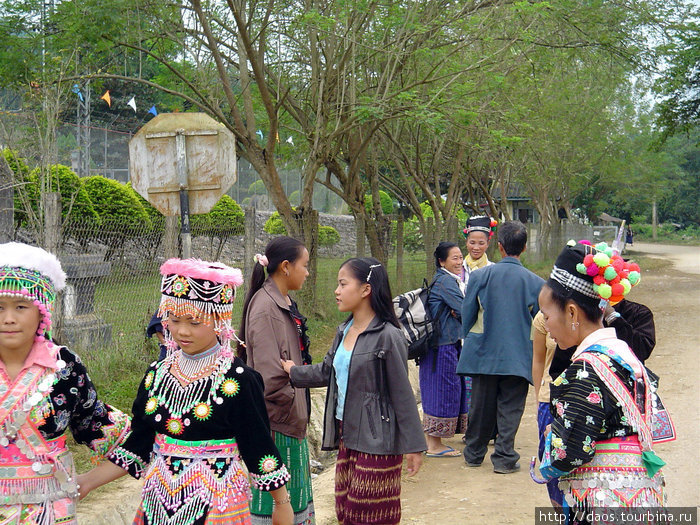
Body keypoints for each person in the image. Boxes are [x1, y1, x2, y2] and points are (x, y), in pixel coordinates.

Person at [79, 257, 294, 525]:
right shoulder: (156, 375)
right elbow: (138, 445)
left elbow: (258, 447)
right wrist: (86, 482)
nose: (182, 331)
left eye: (194, 322)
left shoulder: (238, 379)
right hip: (159, 501)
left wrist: (281, 503)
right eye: (174, 319)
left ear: (219, 319)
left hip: (217, 502)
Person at [282, 258, 426, 525]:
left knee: (369, 514)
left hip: (379, 441)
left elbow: (402, 394)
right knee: (345, 511)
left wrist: (415, 446)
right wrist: (293, 372)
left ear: (365, 290)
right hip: (347, 437)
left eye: (343, 284)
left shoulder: (388, 335)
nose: (336, 291)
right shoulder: (343, 331)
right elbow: (327, 372)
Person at [537, 241, 671, 522]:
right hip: (639, 497)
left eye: (547, 316)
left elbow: (568, 453)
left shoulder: (586, 369)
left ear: (572, 313)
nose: (546, 327)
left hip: (604, 501)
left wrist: (553, 434)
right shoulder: (624, 356)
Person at [0, 242, 131, 525]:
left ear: (42, 311)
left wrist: (88, 481)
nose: (8, 318)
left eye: (21, 306)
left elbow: (114, 434)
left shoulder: (64, 369)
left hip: (48, 511)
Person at [238, 236, 315, 525]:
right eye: (304, 265)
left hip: (289, 418)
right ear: (285, 267)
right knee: (274, 507)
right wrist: (291, 400)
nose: (307, 272)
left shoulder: (282, 300)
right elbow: (268, 378)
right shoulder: (265, 307)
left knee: (294, 503)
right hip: (276, 423)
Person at [457, 221, 544, 473]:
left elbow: (468, 314)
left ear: (500, 247)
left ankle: (473, 454)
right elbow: (540, 323)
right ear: (524, 248)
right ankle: (505, 458)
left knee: (481, 406)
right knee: (511, 408)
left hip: (484, 353)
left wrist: (471, 343)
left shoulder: (480, 276)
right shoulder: (536, 282)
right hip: (518, 356)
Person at [420, 242, 469, 457]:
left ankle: (435, 442)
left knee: (444, 389)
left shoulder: (446, 280)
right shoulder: (446, 282)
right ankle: (434, 445)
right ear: (442, 261)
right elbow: (465, 309)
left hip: (443, 344)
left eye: (460, 258)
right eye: (454, 258)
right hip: (442, 346)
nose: (459, 262)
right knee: (442, 391)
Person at [531, 311, 564, 509]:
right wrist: (538, 396)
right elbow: (538, 359)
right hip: (548, 399)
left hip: (585, 400)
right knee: (551, 461)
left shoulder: (591, 311)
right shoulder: (542, 318)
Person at [460, 215, 497, 285]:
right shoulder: (458, 269)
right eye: (472, 243)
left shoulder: (494, 270)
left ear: (488, 243)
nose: (476, 248)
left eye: (481, 243)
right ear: (466, 242)